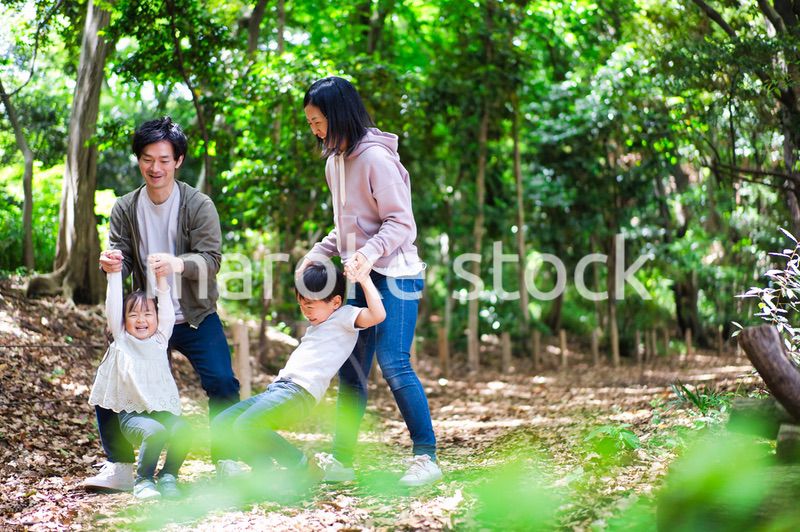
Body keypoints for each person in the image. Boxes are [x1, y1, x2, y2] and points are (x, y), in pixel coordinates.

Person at [83, 117, 240, 492]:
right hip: (146, 319)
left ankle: (228, 458)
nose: (155, 168)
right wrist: (112, 263)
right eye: (148, 159)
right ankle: (121, 466)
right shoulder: (125, 207)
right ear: (139, 159)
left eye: (164, 160)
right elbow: (121, 256)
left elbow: (211, 260)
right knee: (113, 379)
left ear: (179, 160)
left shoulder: (198, 205)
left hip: (195, 314)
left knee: (222, 381)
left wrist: (176, 264)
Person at [299, 76, 442, 486]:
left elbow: (401, 223)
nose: (315, 130)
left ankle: (426, 457)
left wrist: (368, 253)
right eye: (310, 123)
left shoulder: (377, 159)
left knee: (393, 361)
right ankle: (342, 461)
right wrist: (320, 251)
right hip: (358, 272)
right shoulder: (334, 163)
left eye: (318, 121)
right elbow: (348, 227)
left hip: (396, 272)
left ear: (338, 115)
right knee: (352, 369)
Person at [211, 263, 385, 481]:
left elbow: (378, 315)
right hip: (278, 388)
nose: (305, 312)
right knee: (223, 422)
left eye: (310, 306)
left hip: (299, 392)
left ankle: (303, 466)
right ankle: (261, 470)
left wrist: (364, 279)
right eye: (302, 305)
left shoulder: (345, 317)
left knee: (247, 425)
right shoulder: (318, 324)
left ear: (336, 302)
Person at [89, 254, 191, 499]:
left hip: (162, 411)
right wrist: (114, 274)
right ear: (124, 321)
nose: (141, 320)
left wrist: (162, 279)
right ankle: (143, 481)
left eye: (147, 314)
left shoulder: (160, 339)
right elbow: (114, 304)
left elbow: (166, 307)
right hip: (133, 415)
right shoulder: (122, 340)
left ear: (157, 318)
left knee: (184, 430)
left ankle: (168, 476)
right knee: (154, 432)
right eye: (133, 315)